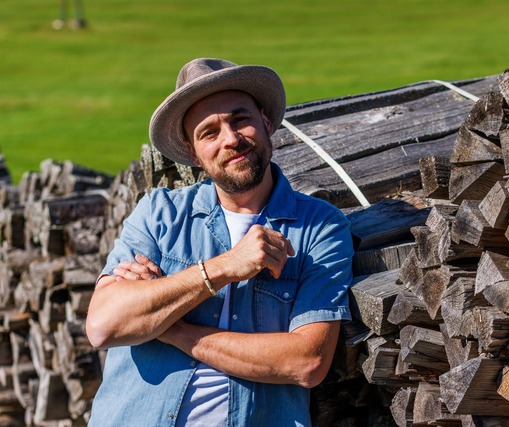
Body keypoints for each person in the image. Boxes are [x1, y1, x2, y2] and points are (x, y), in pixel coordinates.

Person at [85, 58, 354, 426]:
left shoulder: (319, 227)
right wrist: (224, 267)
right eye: (209, 132)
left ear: (266, 122)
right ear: (194, 154)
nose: (231, 139)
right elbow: (103, 325)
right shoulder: (159, 214)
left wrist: (169, 327)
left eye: (240, 119)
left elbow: (306, 362)